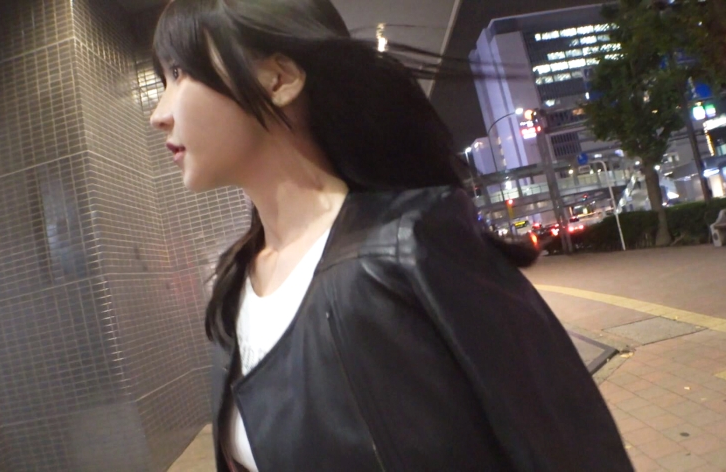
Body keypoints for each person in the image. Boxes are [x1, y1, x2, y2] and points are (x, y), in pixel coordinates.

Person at [149, 0, 632, 470]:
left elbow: (568, 446)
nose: (159, 113)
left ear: (278, 80)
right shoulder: (234, 285)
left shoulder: (407, 248)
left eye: (179, 73)